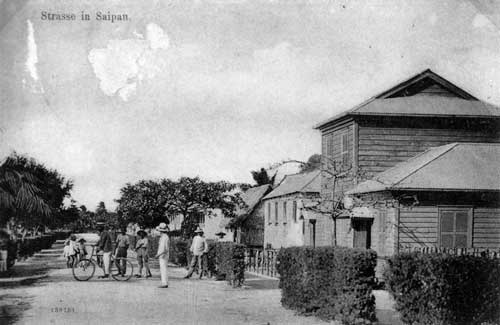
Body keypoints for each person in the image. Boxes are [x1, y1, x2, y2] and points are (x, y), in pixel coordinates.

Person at [154, 223, 170, 288]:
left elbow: (164, 249)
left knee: (163, 269)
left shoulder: (164, 238)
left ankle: (164, 283)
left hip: (163, 255)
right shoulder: (164, 237)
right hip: (163, 255)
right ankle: (164, 282)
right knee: (163, 269)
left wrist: (158, 255)